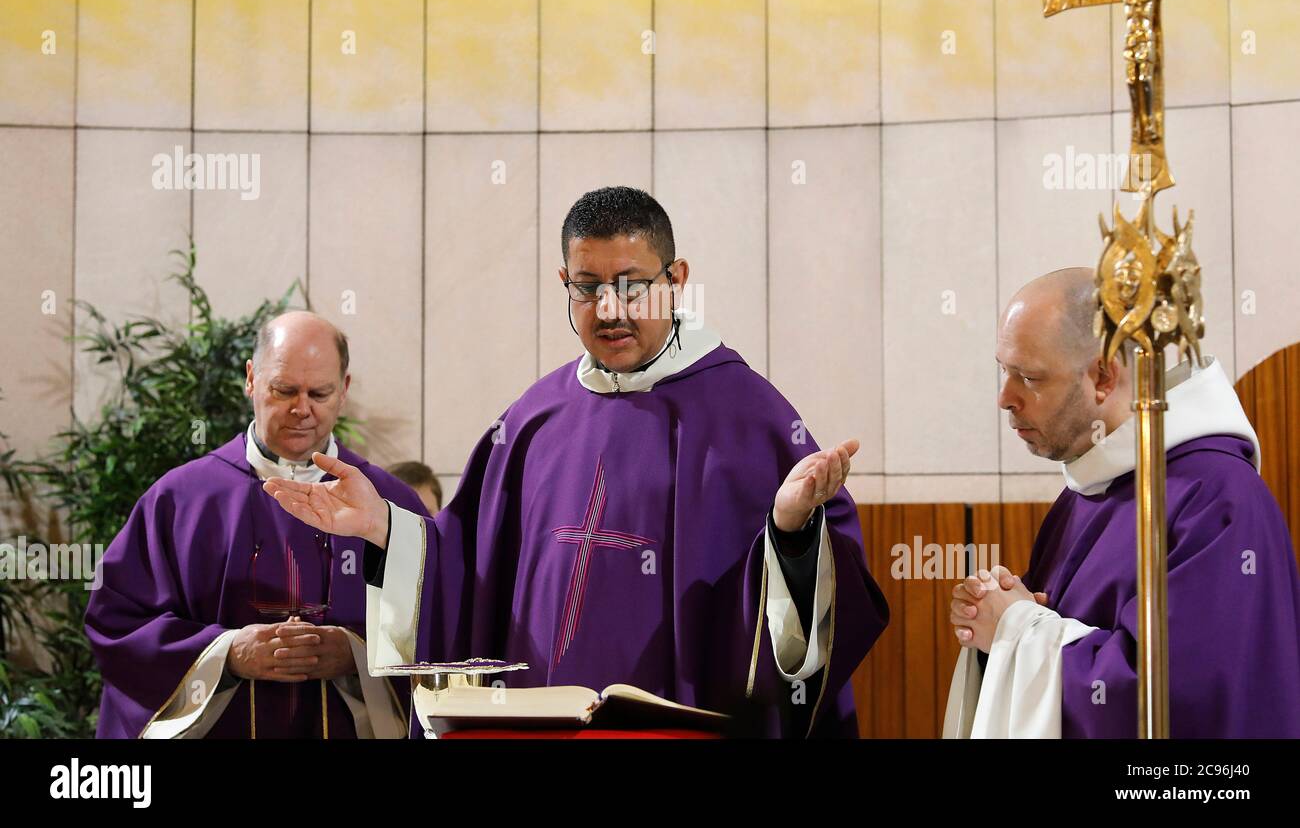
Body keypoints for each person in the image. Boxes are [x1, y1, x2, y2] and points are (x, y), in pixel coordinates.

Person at [265, 186, 889, 737]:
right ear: (564, 282)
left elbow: (818, 619)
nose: (610, 309)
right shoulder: (535, 421)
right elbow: (468, 576)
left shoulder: (748, 416)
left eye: (632, 285)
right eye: (587, 288)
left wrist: (789, 533)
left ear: (676, 279)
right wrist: (385, 529)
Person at [944, 268, 1300, 737]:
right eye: (1003, 370)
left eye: (1028, 377)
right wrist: (994, 620)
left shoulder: (1216, 502)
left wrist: (1016, 628)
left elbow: (1175, 701)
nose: (1005, 398)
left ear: (1104, 377)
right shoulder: (1092, 487)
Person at [86, 311, 428, 738]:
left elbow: (447, 624)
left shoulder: (389, 504)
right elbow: (118, 625)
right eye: (284, 390)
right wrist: (227, 653)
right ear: (251, 379)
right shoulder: (180, 500)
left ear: (344, 390)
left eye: (319, 393)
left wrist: (357, 654)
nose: (302, 409)